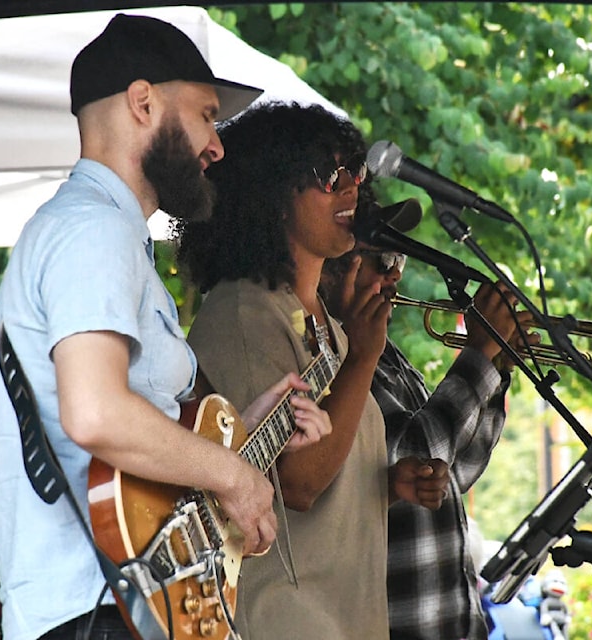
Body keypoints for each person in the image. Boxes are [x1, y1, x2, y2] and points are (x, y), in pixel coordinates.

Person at [0, 15, 332, 640]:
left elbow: (132, 436)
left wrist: (245, 434)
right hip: (94, 612)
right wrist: (234, 476)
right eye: (205, 115)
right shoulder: (92, 229)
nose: (217, 145)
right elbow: (95, 415)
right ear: (143, 103)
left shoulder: (106, 233)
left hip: (117, 605)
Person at [176, 102, 450, 640]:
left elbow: (323, 468)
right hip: (284, 618)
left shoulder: (330, 324)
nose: (351, 188)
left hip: (345, 615)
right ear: (275, 197)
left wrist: (387, 484)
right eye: (330, 176)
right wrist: (365, 357)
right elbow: (298, 484)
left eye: (356, 173)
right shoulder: (244, 313)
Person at [319, 212, 538, 640]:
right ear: (340, 265)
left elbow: (456, 470)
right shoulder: (336, 357)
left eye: (399, 260)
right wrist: (478, 352)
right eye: (382, 260)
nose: (396, 274)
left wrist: (495, 367)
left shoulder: (388, 355)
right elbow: (411, 453)